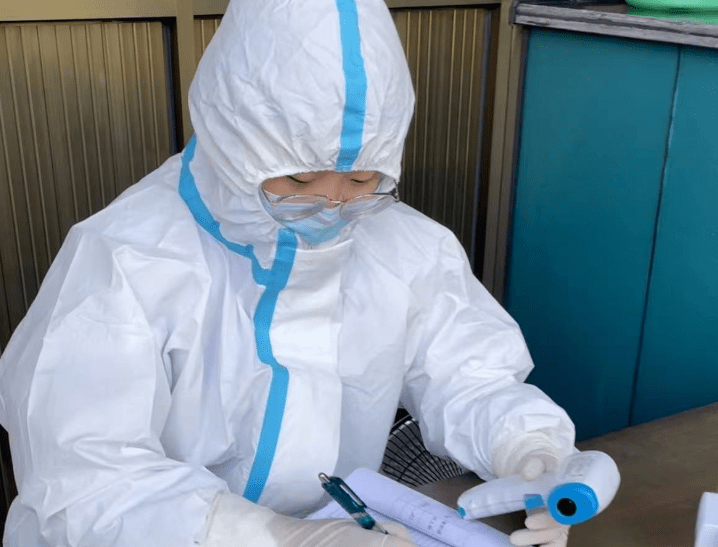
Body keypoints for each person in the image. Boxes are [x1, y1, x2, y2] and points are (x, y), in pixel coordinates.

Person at [0, 0, 576, 545]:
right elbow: (85, 476)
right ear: (235, 142)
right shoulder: (125, 257)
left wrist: (529, 447)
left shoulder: (405, 247)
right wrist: (271, 536)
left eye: (361, 178)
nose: (332, 203)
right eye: (300, 178)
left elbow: (470, 374)